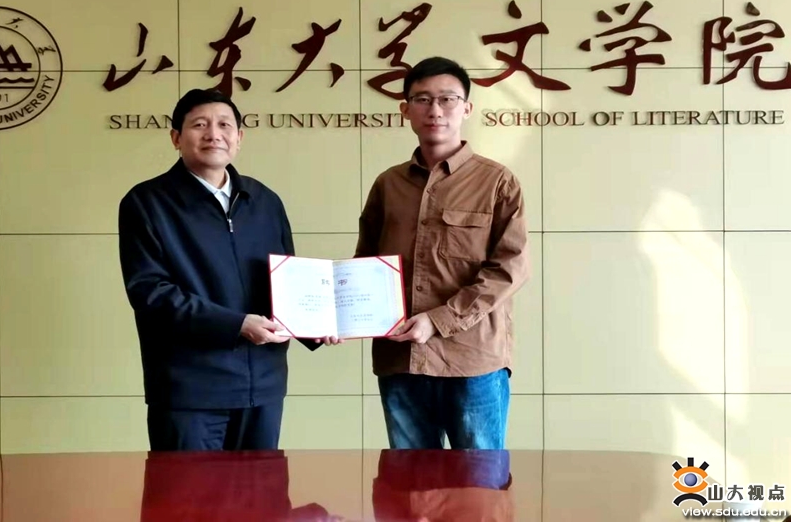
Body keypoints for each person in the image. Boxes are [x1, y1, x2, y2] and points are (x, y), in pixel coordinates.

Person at [118, 88, 325, 452]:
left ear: (239, 137)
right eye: (200, 125)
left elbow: (287, 281)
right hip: (189, 391)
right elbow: (151, 293)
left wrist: (316, 325)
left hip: (263, 387)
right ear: (176, 138)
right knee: (188, 490)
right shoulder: (147, 203)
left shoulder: (264, 201)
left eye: (225, 125)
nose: (214, 134)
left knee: (262, 489)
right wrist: (237, 325)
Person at [355, 56, 531, 450]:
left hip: (473, 361)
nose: (435, 110)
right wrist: (338, 316)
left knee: (480, 480)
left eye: (447, 99)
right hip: (401, 360)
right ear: (405, 110)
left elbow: (510, 268)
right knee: (410, 481)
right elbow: (366, 265)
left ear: (466, 108)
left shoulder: (497, 182)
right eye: (422, 99)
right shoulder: (388, 184)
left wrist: (438, 320)